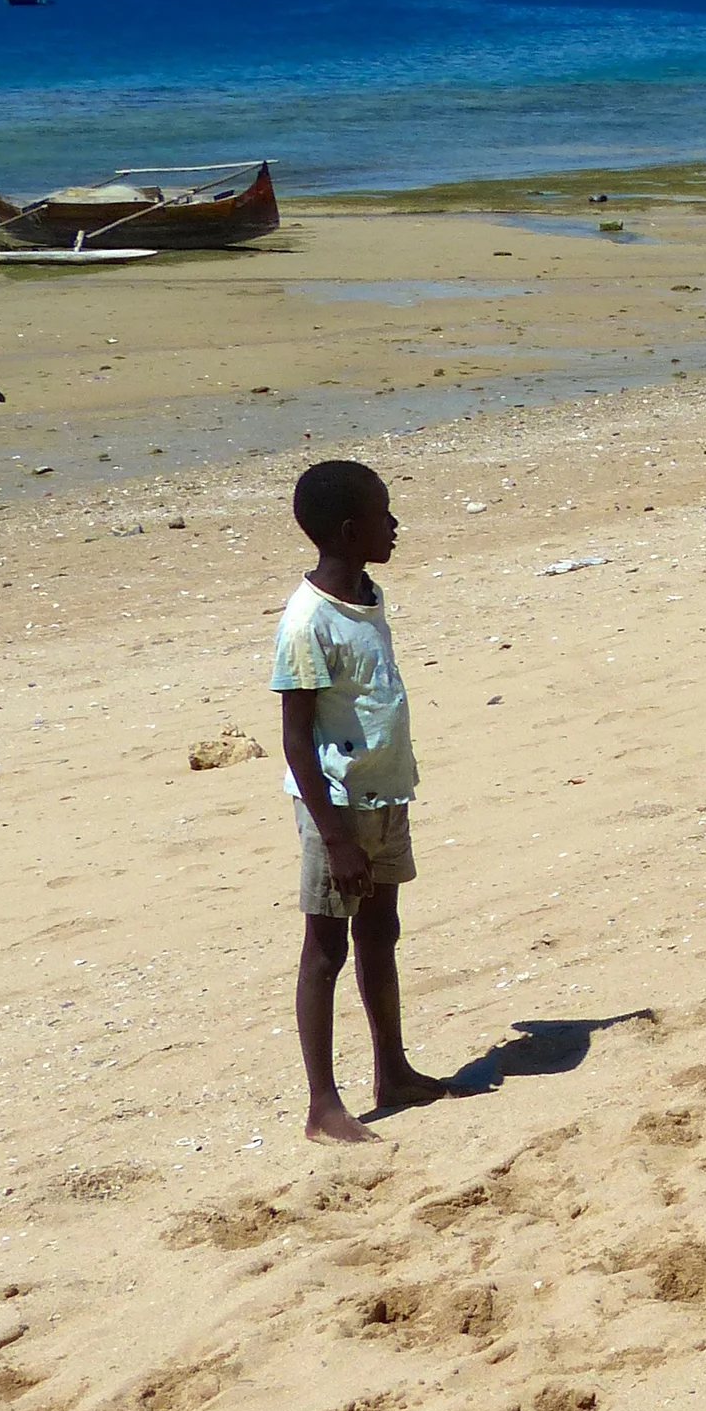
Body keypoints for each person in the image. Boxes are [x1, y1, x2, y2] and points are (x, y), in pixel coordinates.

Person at [272, 460, 449, 1144]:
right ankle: (322, 1103)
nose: (395, 523)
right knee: (326, 948)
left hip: (385, 794)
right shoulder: (306, 621)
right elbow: (295, 741)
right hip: (335, 810)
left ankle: (393, 1068)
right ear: (351, 532)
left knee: (382, 933)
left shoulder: (367, 594)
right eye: (384, 513)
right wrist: (337, 839)